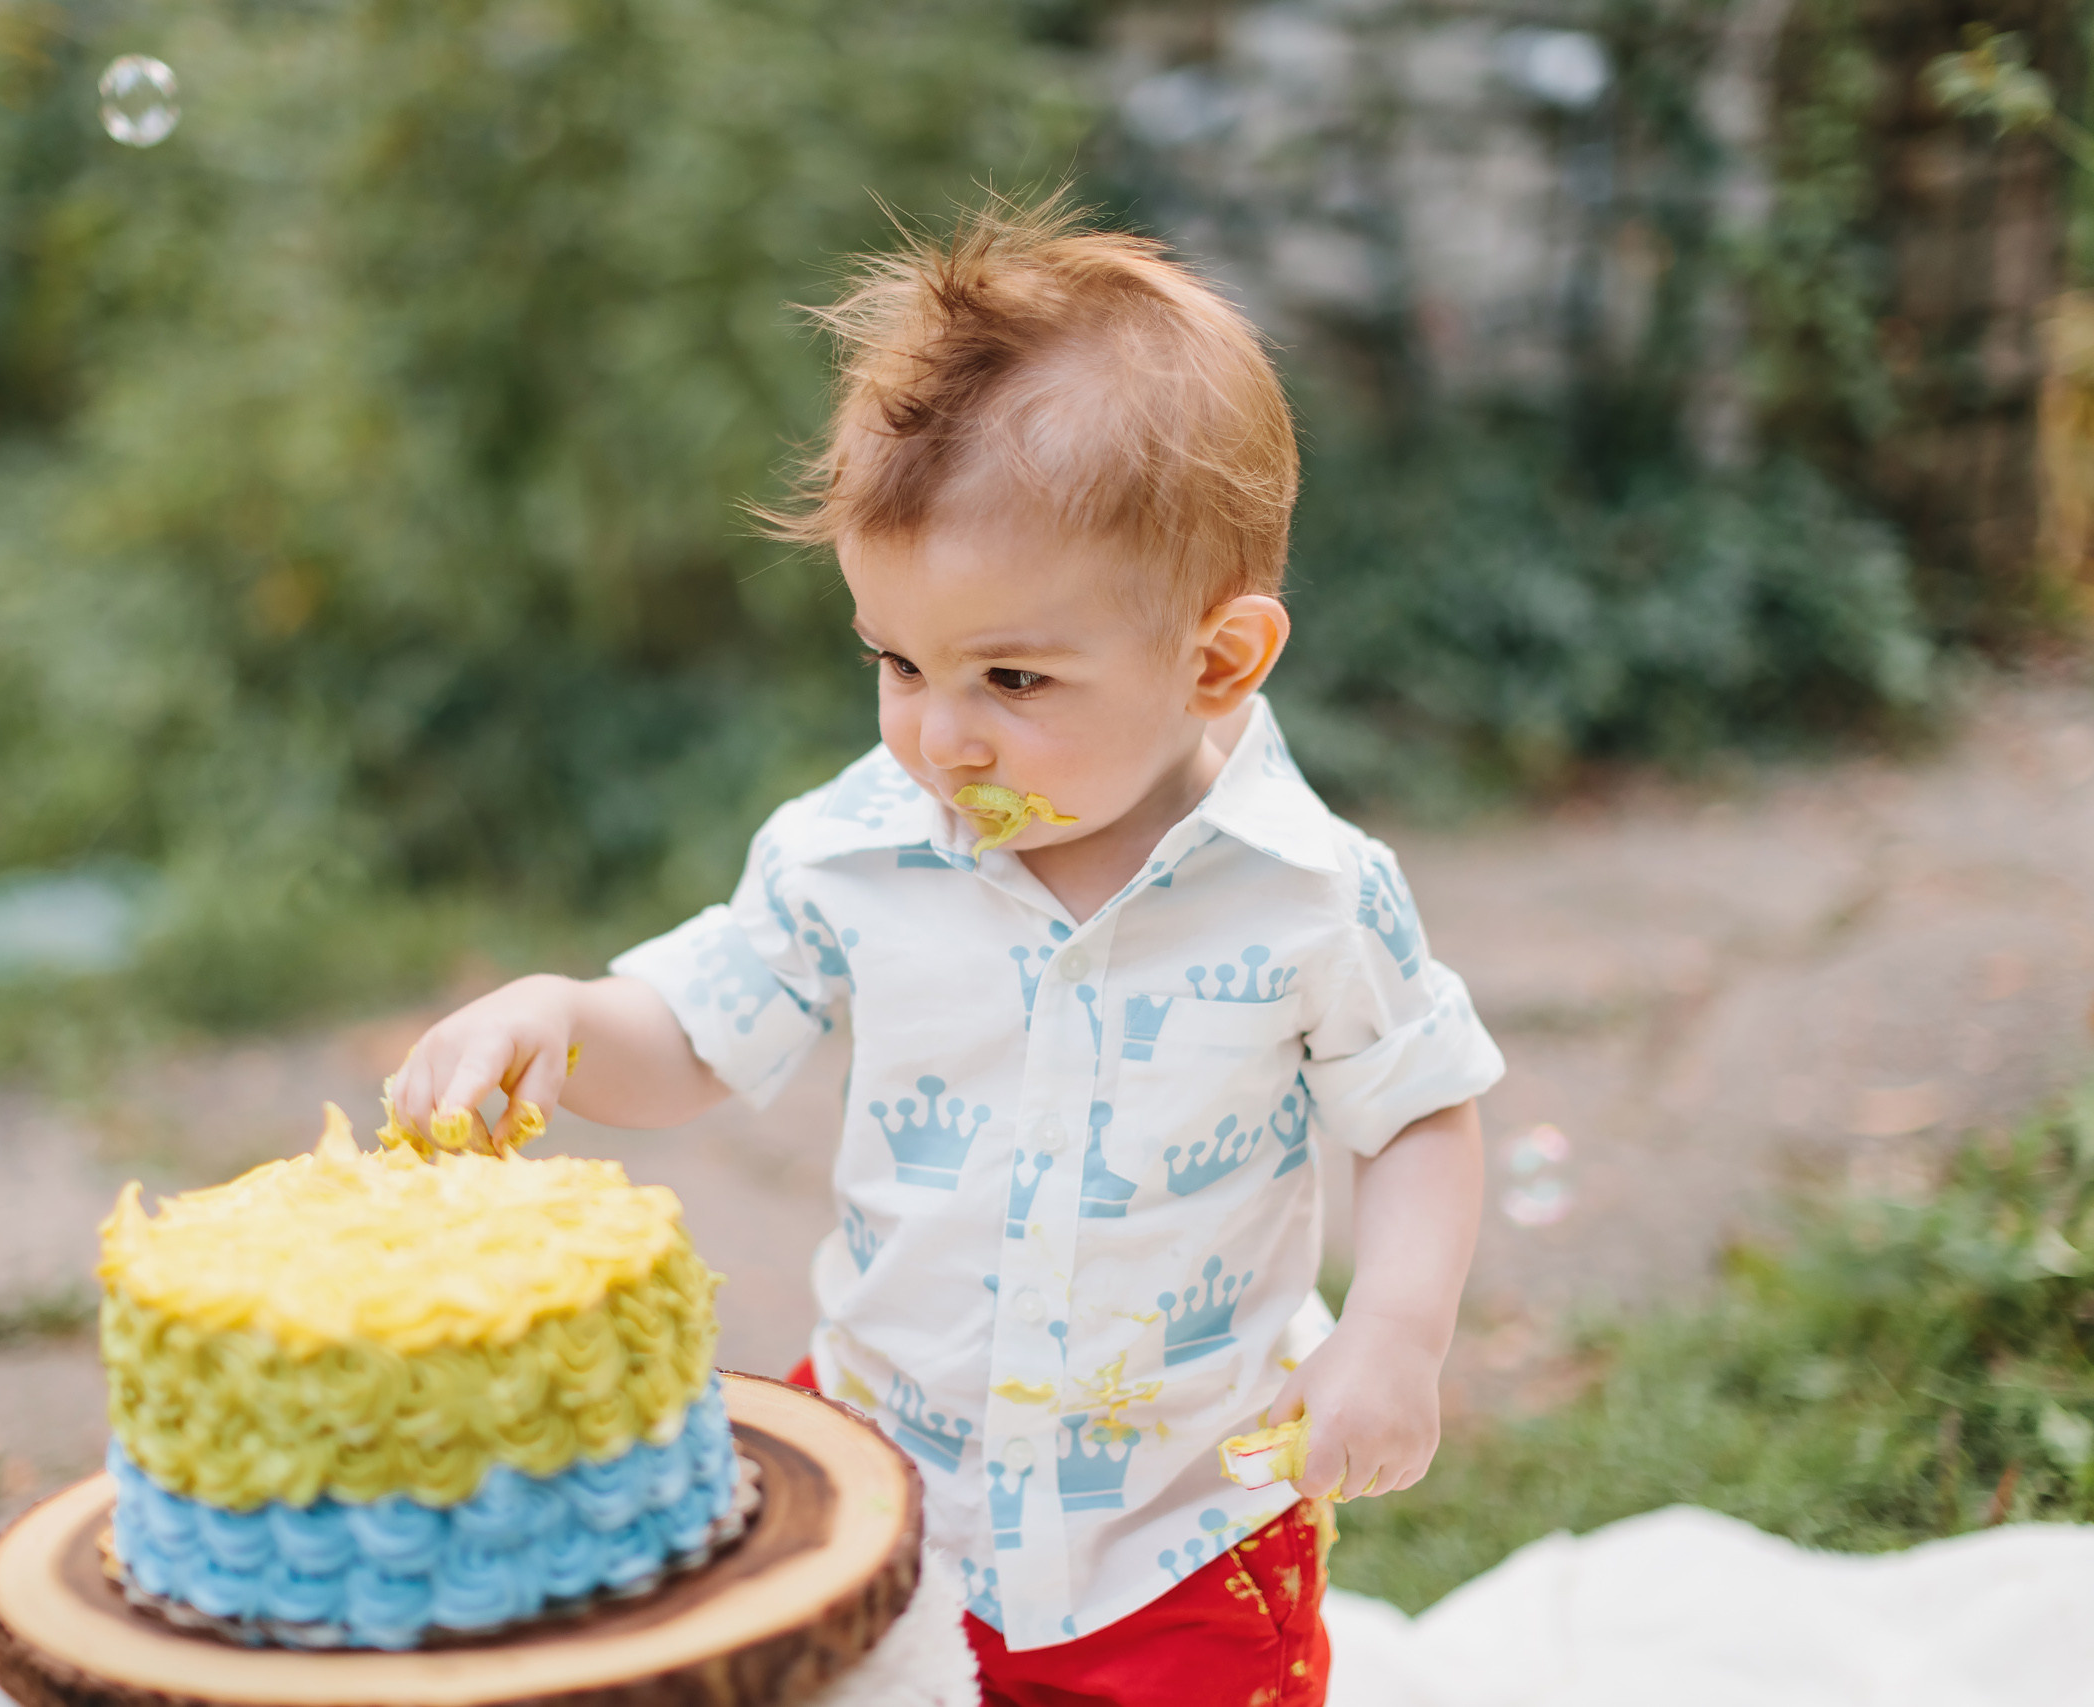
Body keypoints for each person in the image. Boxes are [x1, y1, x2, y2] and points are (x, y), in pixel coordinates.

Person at [388, 197, 1504, 1707]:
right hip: (884, 1485)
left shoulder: (1310, 894)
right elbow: (703, 1032)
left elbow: (1422, 1111)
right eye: (896, 662)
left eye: (1014, 676)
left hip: (1184, 1537)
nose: (938, 731)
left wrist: (1396, 1331)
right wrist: (569, 1019)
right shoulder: (855, 847)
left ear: (1217, 658)